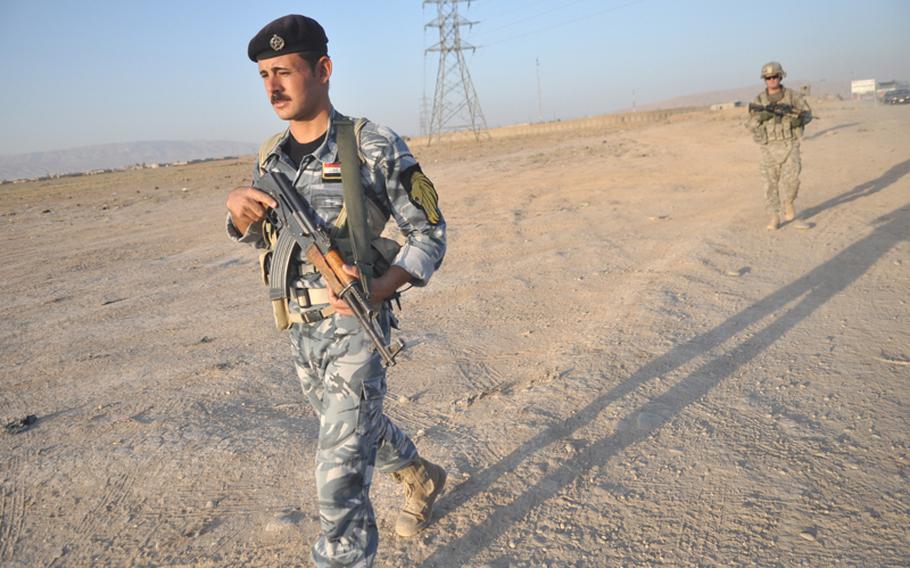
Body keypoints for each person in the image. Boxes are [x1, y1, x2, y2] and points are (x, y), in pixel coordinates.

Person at [225, 14, 447, 567]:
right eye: (263, 75)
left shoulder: (371, 144)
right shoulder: (270, 155)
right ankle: (418, 475)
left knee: (337, 480)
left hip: (356, 326)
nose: (272, 86)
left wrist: (381, 286)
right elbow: (270, 243)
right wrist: (239, 215)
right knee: (352, 426)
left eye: (284, 71)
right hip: (300, 331)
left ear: (322, 70)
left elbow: (430, 232)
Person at [747, 61, 813, 230]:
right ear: (764, 80)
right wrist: (761, 117)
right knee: (770, 184)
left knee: (792, 180)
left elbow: (807, 115)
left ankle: (788, 202)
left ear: (781, 76)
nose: (772, 80)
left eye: (775, 76)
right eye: (768, 77)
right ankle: (774, 216)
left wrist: (797, 120)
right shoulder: (759, 100)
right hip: (768, 146)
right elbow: (749, 123)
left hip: (789, 144)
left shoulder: (793, 96)